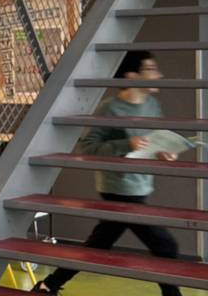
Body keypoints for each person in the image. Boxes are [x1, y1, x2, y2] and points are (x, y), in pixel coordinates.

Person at [34, 51, 181, 296]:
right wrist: (126, 145)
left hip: (141, 186)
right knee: (165, 245)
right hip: (118, 189)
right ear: (132, 75)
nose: (159, 75)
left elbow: (154, 141)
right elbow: (87, 147)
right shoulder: (110, 109)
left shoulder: (153, 105)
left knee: (98, 245)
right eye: (151, 70)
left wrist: (165, 152)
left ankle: (48, 285)